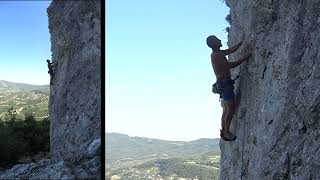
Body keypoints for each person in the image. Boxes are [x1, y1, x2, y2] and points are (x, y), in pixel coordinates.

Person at [206, 35, 251, 141]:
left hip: (222, 83)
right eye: (217, 40)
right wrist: (245, 58)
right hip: (225, 83)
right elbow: (229, 65)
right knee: (230, 107)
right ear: (213, 44)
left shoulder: (218, 53)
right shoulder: (216, 55)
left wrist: (242, 42)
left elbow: (230, 50)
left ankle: (224, 130)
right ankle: (226, 132)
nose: (220, 40)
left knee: (226, 108)